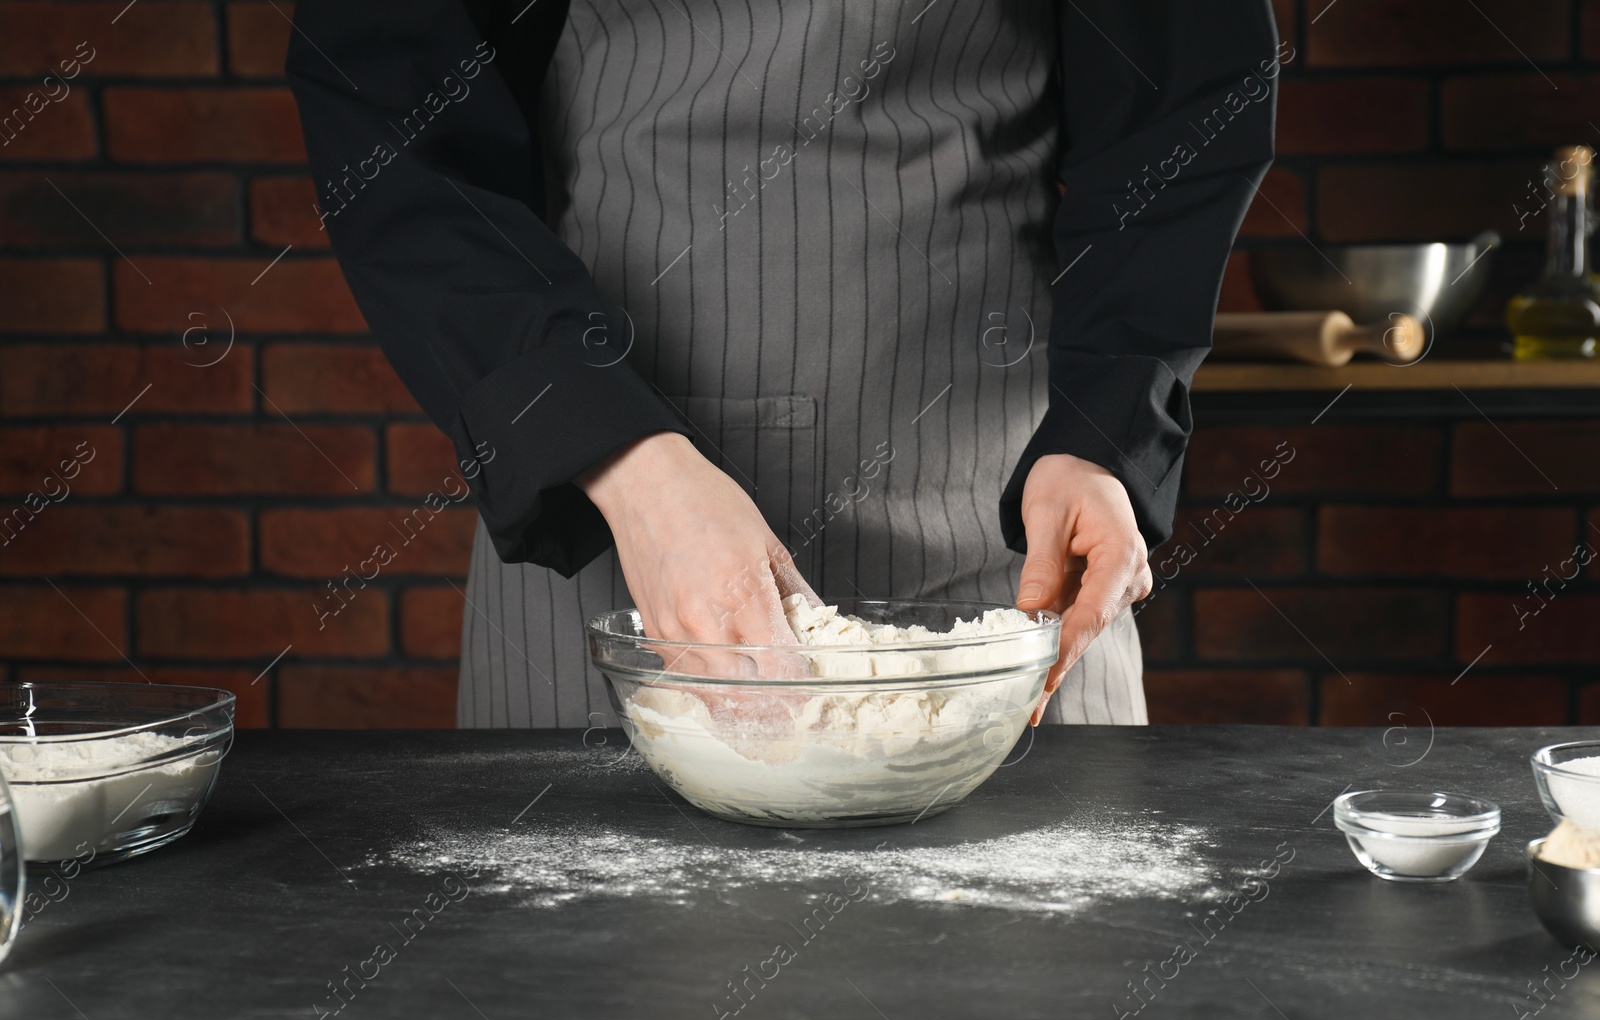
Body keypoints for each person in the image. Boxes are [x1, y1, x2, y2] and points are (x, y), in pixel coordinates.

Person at [286, 0, 1277, 728]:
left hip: (1004, 561)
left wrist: (1107, 426)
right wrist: (621, 457)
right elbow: (393, 117)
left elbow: (1184, 99)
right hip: (612, 550)